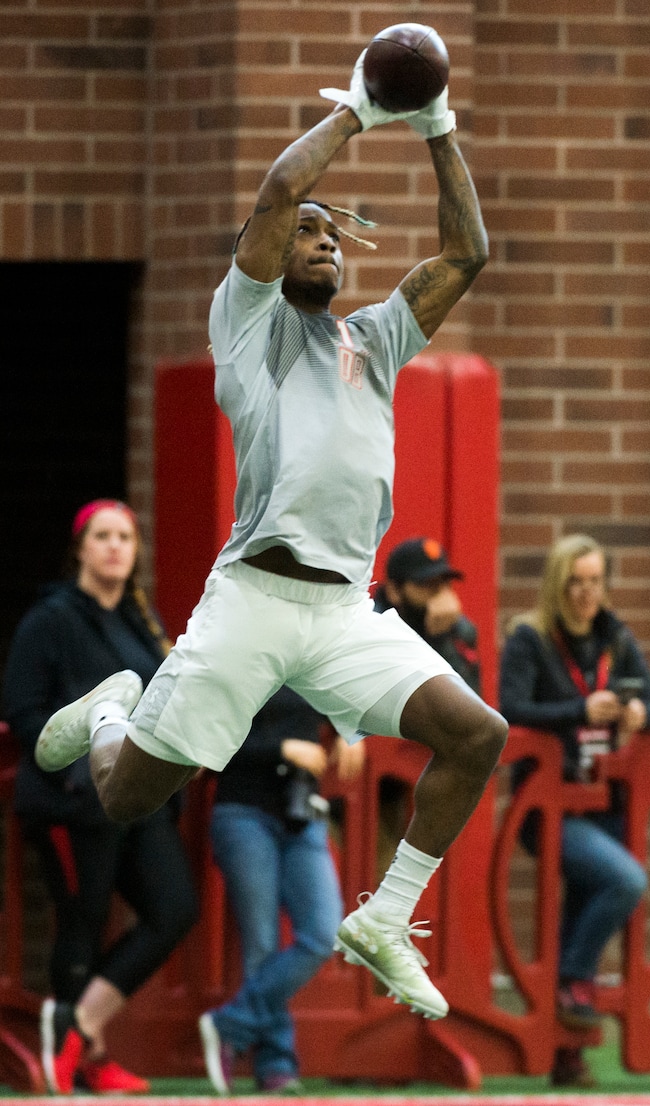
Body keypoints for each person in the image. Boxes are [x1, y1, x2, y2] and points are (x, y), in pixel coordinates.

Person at [32, 51, 508, 1059]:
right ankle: (115, 704)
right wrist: (359, 110)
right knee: (123, 795)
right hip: (252, 595)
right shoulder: (245, 324)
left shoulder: (371, 341)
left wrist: (436, 125)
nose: (324, 241)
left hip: (342, 610)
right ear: (268, 249)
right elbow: (280, 187)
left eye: (337, 237)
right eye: (308, 234)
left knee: (475, 732)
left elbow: (467, 252)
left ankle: (384, 915)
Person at [2, 500, 198, 1094]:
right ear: (81, 548)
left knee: (172, 910)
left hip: (137, 800)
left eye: (125, 537)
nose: (115, 546)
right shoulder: (51, 618)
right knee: (81, 923)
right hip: (73, 802)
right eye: (103, 536)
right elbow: (24, 710)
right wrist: (76, 772)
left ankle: (80, 1029)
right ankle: (79, 1058)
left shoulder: (141, 622)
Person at [498, 533, 650, 1088]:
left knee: (580, 913)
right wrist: (580, 708)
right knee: (624, 881)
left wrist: (642, 710)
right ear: (557, 585)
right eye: (576, 583)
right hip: (547, 807)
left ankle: (566, 1053)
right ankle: (573, 981)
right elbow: (511, 708)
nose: (586, 594)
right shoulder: (530, 638)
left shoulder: (615, 636)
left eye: (595, 582)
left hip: (606, 800)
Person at [199, 686, 364, 1094]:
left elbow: (354, 693)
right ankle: (276, 1064)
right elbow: (204, 742)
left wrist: (352, 731)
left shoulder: (310, 652)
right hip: (242, 810)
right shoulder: (236, 650)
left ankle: (229, 1024)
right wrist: (281, 749)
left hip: (302, 812)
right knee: (262, 943)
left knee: (324, 933)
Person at [374, 537, 481, 695]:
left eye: (443, 583)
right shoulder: (373, 632)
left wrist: (441, 639)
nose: (438, 594)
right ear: (394, 591)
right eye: (426, 584)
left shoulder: (461, 631)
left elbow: (469, 703)